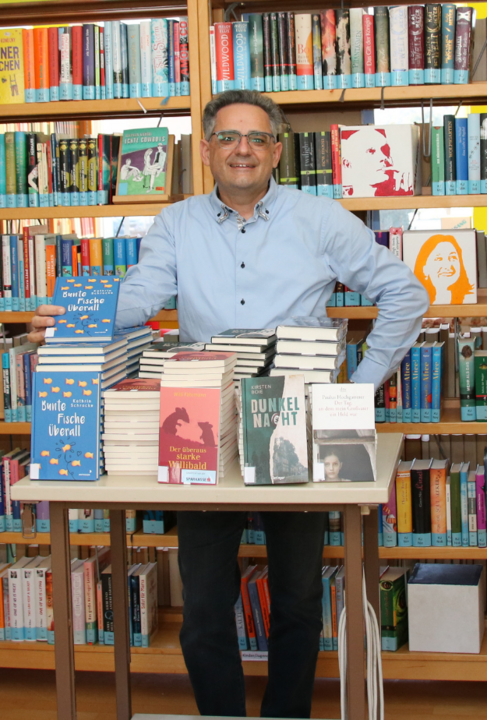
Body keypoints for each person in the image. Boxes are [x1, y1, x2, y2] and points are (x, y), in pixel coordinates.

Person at [30, 89, 428, 718]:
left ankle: (286, 714)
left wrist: (359, 385)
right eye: (228, 137)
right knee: (206, 602)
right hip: (199, 424)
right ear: (209, 150)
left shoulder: (321, 219)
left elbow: (404, 292)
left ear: (276, 151)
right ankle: (220, 713)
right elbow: (142, 295)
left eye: (257, 138)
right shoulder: (175, 223)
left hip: (292, 419)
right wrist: (80, 321)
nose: (243, 149)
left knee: (298, 597)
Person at [413, 233, 474, 304]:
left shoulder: (469, 299)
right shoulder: (416, 303)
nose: (447, 265)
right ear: (424, 268)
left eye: (453, 258)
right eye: (439, 259)